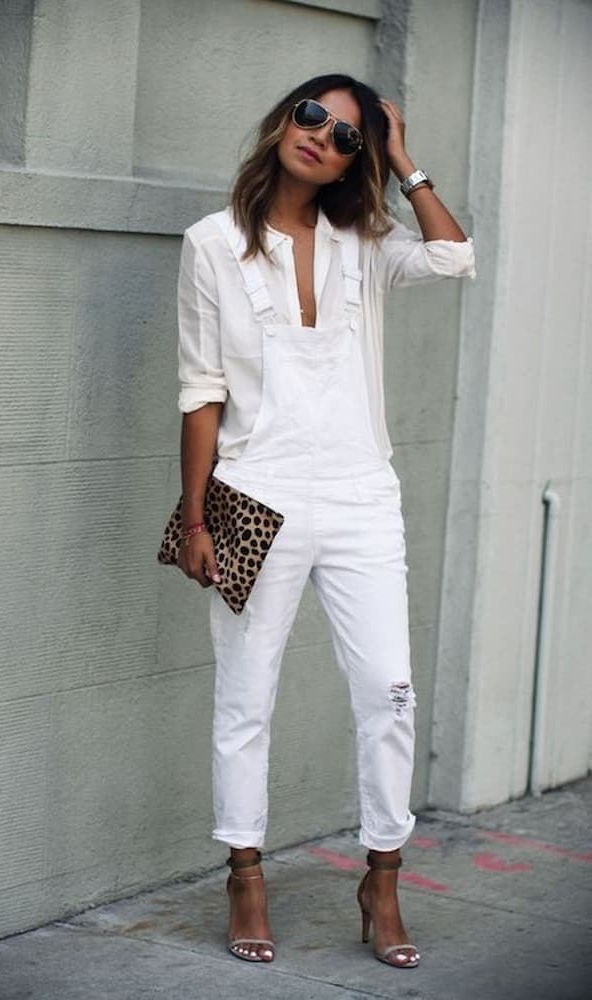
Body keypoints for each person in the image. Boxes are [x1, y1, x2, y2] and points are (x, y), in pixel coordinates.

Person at [175, 73, 475, 967]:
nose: (321, 138)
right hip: (253, 493)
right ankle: (245, 873)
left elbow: (455, 258)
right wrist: (195, 520)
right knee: (245, 697)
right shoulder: (210, 243)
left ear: (360, 158)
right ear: (281, 121)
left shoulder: (364, 240)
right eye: (313, 117)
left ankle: (381, 877)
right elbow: (201, 389)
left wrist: (403, 159)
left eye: (347, 136)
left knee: (388, 692)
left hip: (358, 497)